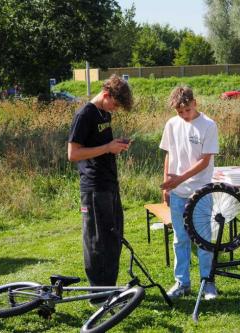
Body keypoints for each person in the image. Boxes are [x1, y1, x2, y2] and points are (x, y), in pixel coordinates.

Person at [67, 74, 133, 303]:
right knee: (97, 240)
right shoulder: (84, 114)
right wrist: (107, 147)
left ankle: (109, 290)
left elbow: (101, 145)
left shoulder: (104, 113)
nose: (114, 110)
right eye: (114, 104)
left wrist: (116, 146)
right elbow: (73, 154)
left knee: (113, 237)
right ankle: (98, 295)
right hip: (93, 187)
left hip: (109, 184)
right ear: (106, 95)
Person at [159, 86, 219, 300]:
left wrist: (180, 179)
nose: (184, 115)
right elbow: (168, 154)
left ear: (195, 103)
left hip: (201, 191)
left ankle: (208, 282)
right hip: (177, 192)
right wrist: (168, 184)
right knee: (180, 239)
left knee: (203, 239)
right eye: (179, 112)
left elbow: (204, 161)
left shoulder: (208, 125)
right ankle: (182, 282)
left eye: (187, 110)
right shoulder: (171, 124)